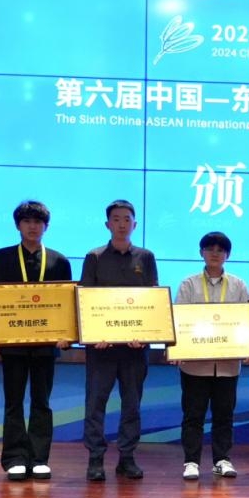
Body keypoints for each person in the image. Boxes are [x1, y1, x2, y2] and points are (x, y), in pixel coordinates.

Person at [0, 201, 73, 482]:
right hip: (12, 346)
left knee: (41, 402)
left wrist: (67, 335)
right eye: (27, 221)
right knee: (13, 402)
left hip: (46, 347)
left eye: (38, 222)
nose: (33, 226)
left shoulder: (59, 261)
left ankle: (39, 458)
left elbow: (67, 304)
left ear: (46, 226)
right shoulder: (1, 258)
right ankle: (14, 459)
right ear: (18, 225)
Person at [80, 199, 159, 482]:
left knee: (132, 404)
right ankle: (95, 458)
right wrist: (94, 334)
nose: (122, 224)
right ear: (107, 224)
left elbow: (152, 300)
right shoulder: (94, 257)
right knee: (95, 403)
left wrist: (146, 334)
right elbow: (85, 299)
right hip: (101, 347)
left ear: (134, 224)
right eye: (116, 219)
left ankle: (127, 457)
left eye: (127, 219)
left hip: (135, 348)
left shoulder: (146, 257)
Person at [173, 232, 249, 481]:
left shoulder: (238, 285)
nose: (215, 253)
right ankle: (191, 461)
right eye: (210, 249)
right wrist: (177, 349)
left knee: (224, 415)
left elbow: (245, 321)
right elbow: (179, 320)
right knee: (193, 415)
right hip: (195, 365)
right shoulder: (189, 284)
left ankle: (222, 460)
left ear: (227, 255)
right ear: (201, 253)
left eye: (220, 249)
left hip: (227, 365)